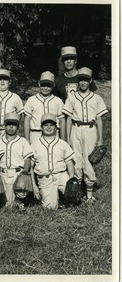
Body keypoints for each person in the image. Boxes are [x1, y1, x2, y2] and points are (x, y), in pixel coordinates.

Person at [62, 67, 108, 203]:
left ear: (90, 81)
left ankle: (89, 195)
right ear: (77, 81)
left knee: (88, 160)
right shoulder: (72, 97)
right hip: (76, 128)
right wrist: (68, 138)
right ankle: (77, 192)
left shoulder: (97, 98)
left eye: (86, 80)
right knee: (76, 160)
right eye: (81, 79)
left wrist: (100, 139)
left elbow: (99, 120)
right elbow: (69, 118)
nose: (83, 82)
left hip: (90, 129)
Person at [30, 113, 75, 210]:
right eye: (46, 125)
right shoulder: (35, 145)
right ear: (41, 127)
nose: (49, 127)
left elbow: (69, 162)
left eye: (52, 125)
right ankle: (56, 199)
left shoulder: (62, 143)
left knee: (74, 195)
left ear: (56, 127)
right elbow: (30, 166)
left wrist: (71, 179)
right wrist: (34, 186)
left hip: (61, 175)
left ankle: (65, 199)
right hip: (45, 179)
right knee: (50, 207)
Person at [0, 113, 35, 210]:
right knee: (8, 205)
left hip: (17, 174)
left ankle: (20, 201)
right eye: (8, 124)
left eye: (14, 124)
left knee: (12, 206)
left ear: (18, 127)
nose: (11, 127)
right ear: (4, 126)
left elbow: (27, 159)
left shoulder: (23, 141)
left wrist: (25, 172)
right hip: (3, 173)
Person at [24, 71, 66, 144]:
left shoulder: (58, 101)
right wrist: (27, 139)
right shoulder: (32, 100)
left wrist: (63, 140)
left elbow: (62, 121)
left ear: (53, 86)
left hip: (54, 134)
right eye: (43, 85)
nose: (46, 88)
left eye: (49, 85)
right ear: (39, 84)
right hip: (36, 134)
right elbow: (27, 120)